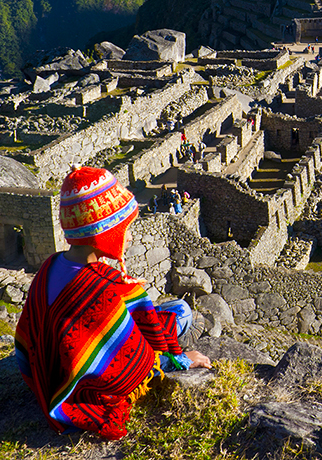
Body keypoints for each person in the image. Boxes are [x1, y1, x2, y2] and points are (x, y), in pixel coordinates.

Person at [15, 166, 210, 440]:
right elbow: (133, 360)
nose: (130, 236)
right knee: (181, 311)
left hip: (47, 373)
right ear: (104, 232)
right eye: (125, 228)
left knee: (157, 309)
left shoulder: (50, 265)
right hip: (80, 382)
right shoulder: (102, 285)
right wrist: (177, 360)